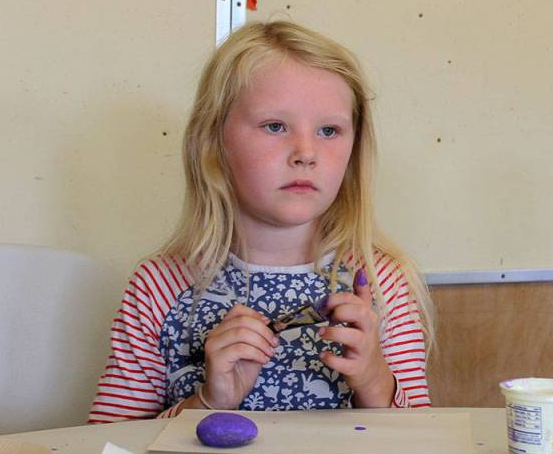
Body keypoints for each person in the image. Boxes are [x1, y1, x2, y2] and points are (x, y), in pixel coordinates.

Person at [89, 21, 432, 422]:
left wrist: (374, 380)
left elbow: (421, 445)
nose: (306, 152)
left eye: (329, 130)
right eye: (275, 126)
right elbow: (108, 449)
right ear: (214, 143)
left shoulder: (380, 283)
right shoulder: (158, 288)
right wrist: (209, 403)